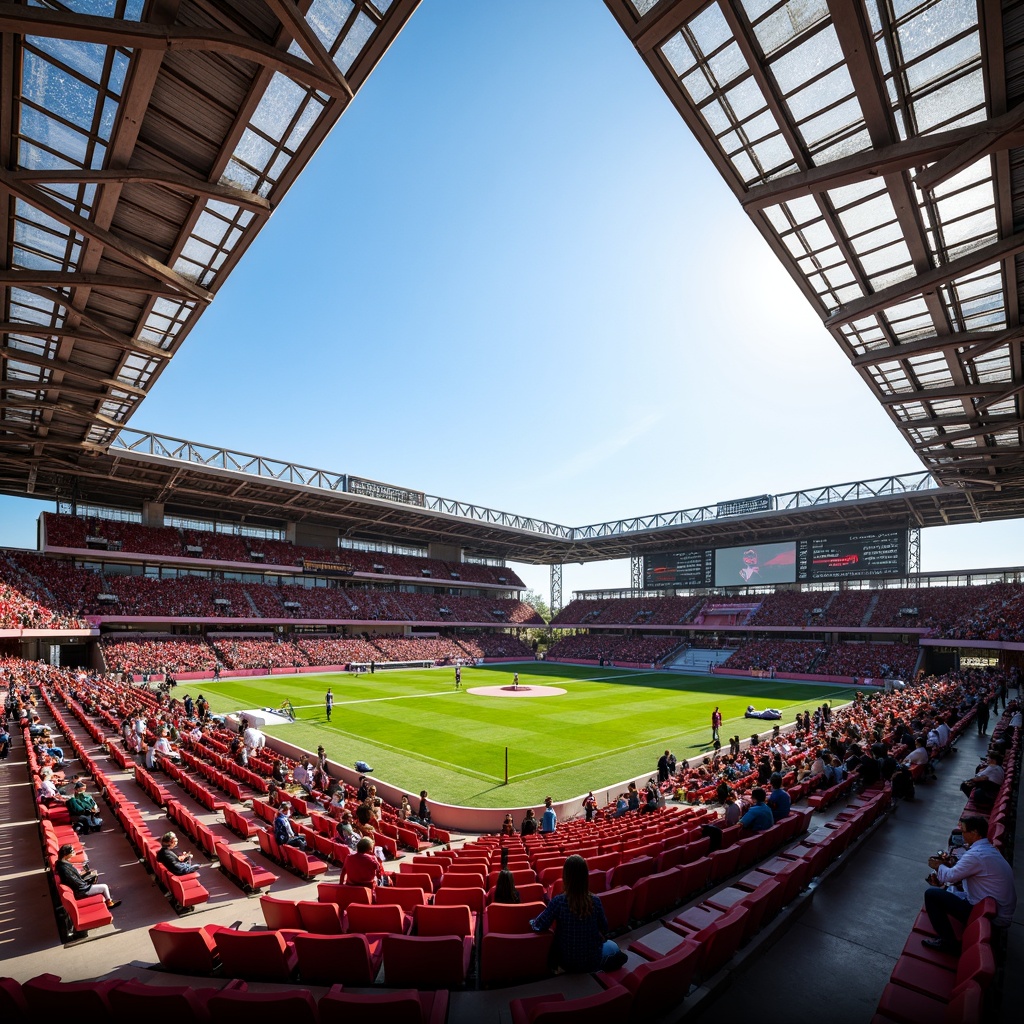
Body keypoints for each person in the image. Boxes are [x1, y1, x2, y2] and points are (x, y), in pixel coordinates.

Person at [924, 816, 1016, 952]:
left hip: (992, 918)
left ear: (974, 833)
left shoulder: (976, 856)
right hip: (996, 910)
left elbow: (948, 877)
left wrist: (938, 866)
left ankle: (948, 943)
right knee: (949, 889)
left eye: (964, 832)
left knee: (931, 895)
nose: (962, 835)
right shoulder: (988, 850)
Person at [529, 855, 628, 972]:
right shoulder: (595, 901)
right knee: (612, 946)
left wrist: (531, 921)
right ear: (585, 876)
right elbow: (604, 928)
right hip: (592, 962)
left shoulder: (558, 901)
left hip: (566, 963)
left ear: (565, 876)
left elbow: (538, 925)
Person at [55, 844, 120, 909]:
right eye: (72, 852)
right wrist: (86, 882)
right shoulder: (64, 868)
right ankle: (109, 903)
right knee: (104, 887)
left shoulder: (62, 863)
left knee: (91, 876)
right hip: (81, 891)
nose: (73, 853)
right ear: (66, 855)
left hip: (79, 888)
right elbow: (75, 882)